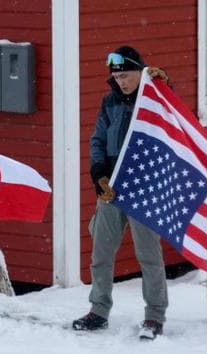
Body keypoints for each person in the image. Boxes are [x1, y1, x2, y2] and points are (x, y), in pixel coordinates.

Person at [72, 45, 169, 341]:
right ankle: (98, 311)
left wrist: (162, 84)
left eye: (126, 75)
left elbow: (171, 111)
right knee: (101, 252)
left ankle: (154, 316)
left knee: (148, 256)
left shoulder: (153, 98)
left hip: (144, 187)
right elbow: (97, 139)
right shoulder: (109, 102)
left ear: (140, 73)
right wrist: (98, 172)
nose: (121, 81)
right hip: (111, 186)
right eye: (116, 76)